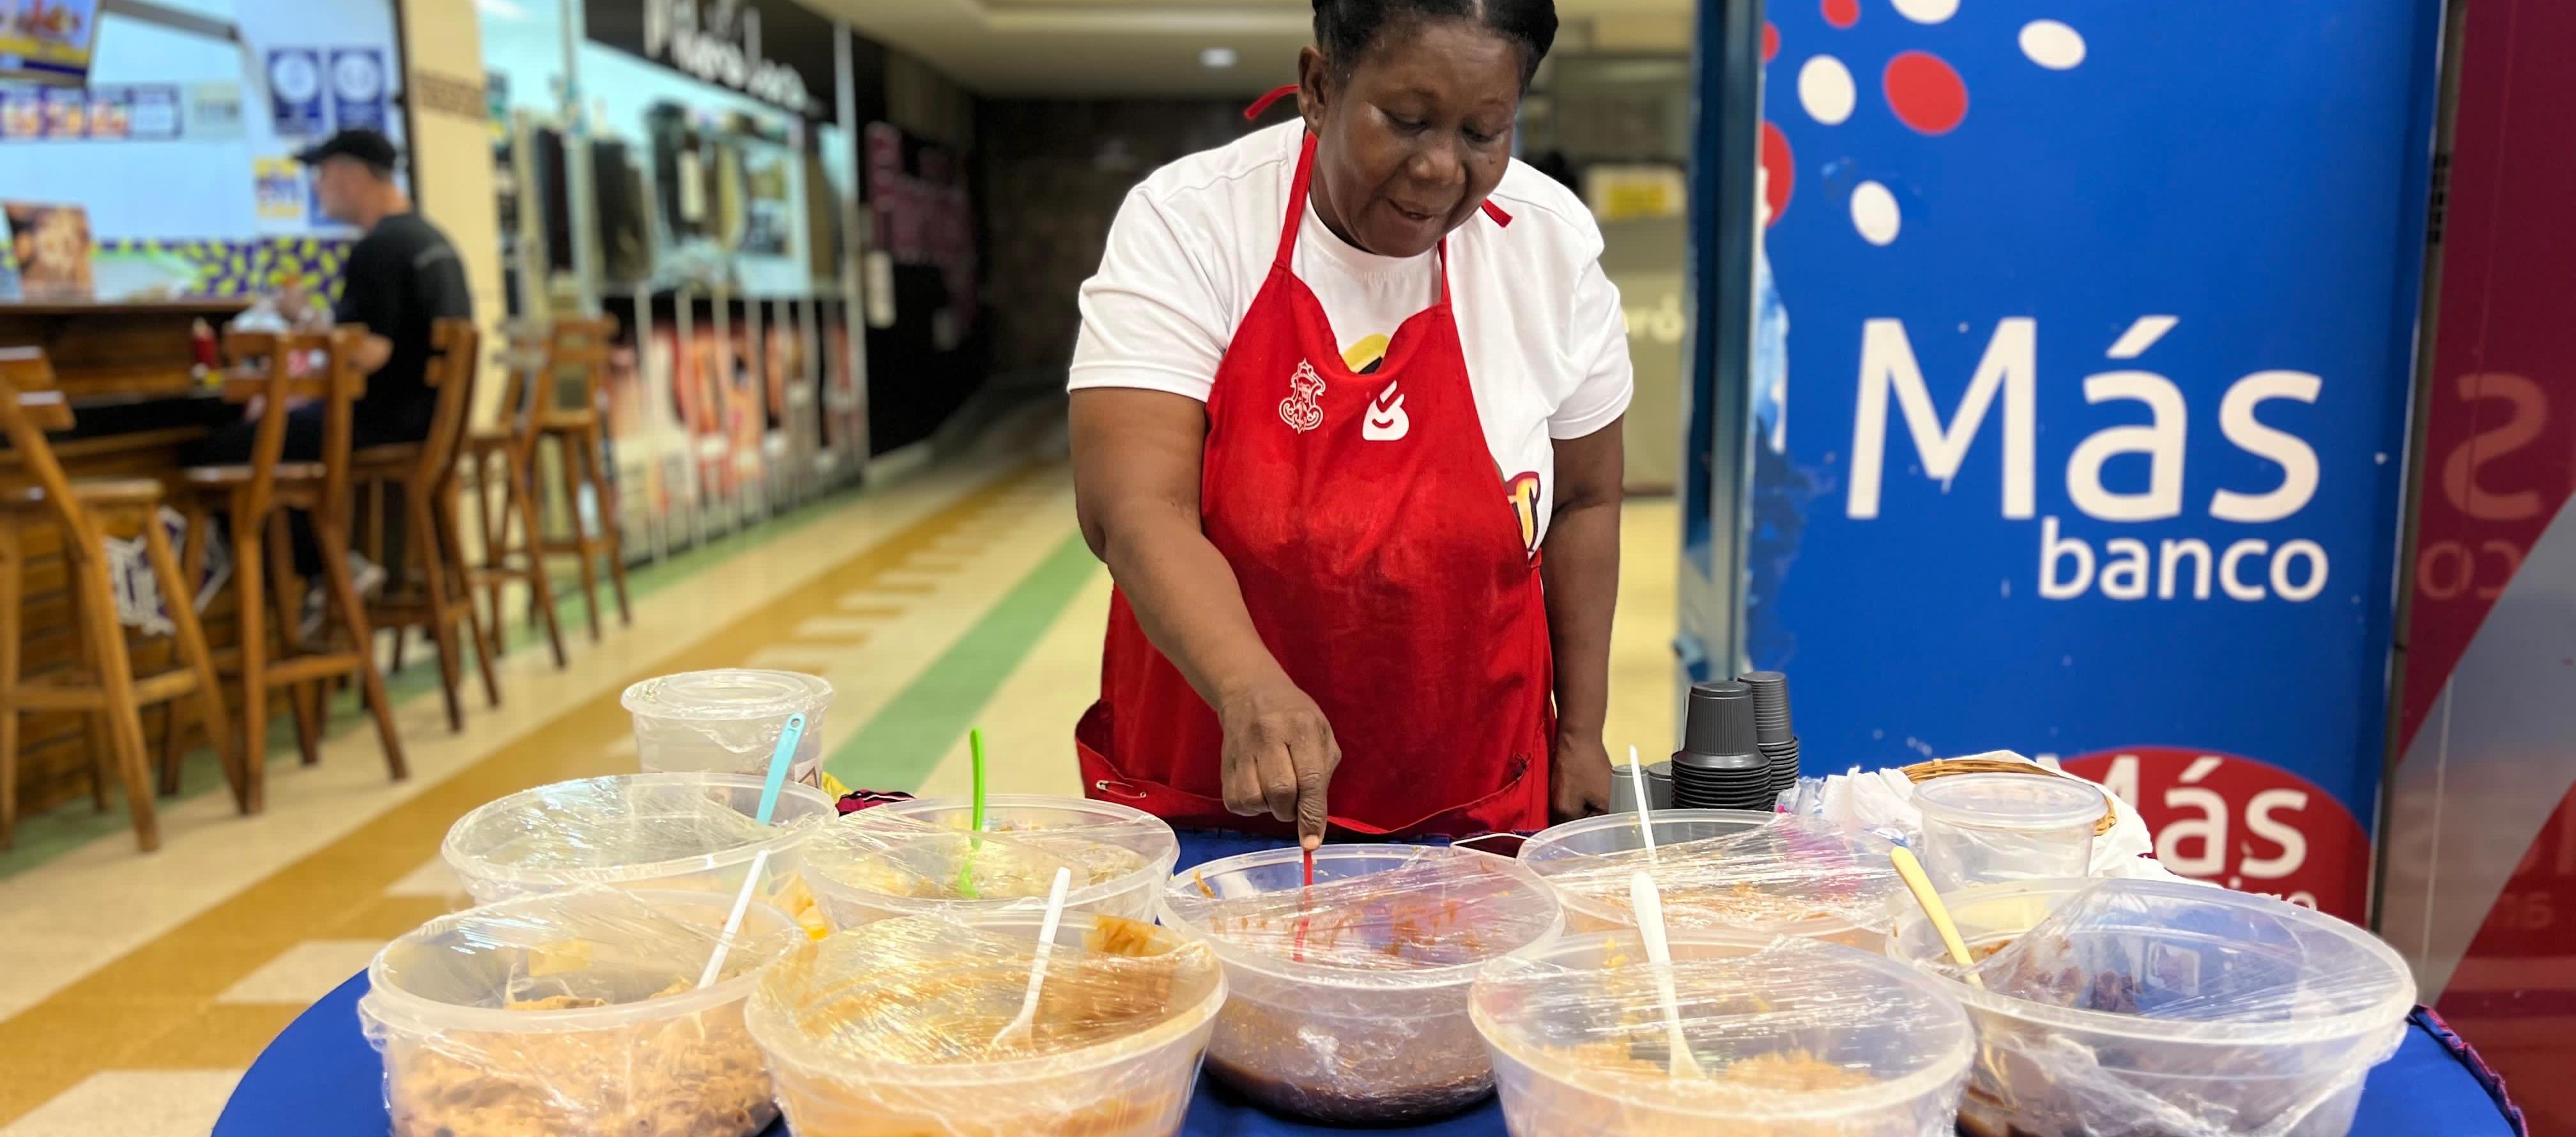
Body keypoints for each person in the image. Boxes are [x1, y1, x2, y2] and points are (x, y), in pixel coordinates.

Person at [1069, 0, 1627, 848]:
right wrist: (1247, 685)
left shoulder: (1549, 248)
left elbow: (1586, 500)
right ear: (1320, 87)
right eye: (1406, 122)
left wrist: (1581, 733)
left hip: (1471, 800)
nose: (1442, 168)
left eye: (1484, 134)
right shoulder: (1192, 222)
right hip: (1219, 800)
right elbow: (1135, 509)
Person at [184, 128, 472, 626]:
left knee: (226, 452)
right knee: (280, 442)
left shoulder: (379, 249)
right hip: (425, 425)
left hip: (382, 423)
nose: (317, 189)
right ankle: (328, 571)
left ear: (351, 176)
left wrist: (302, 322)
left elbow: (368, 353)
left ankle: (323, 571)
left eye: (321, 176)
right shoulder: (433, 240)